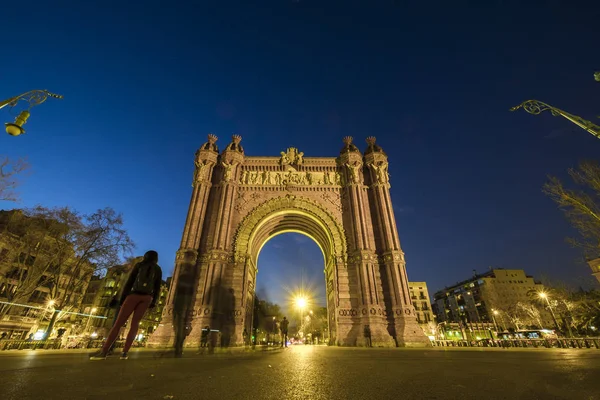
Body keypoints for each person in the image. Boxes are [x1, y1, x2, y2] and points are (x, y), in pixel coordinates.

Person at [90, 251, 162, 360]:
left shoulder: (139, 265)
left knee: (118, 324)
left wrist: (123, 298)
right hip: (147, 298)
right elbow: (157, 287)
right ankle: (124, 353)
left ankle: (104, 352)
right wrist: (154, 301)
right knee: (135, 325)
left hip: (133, 295)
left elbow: (129, 282)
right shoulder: (158, 269)